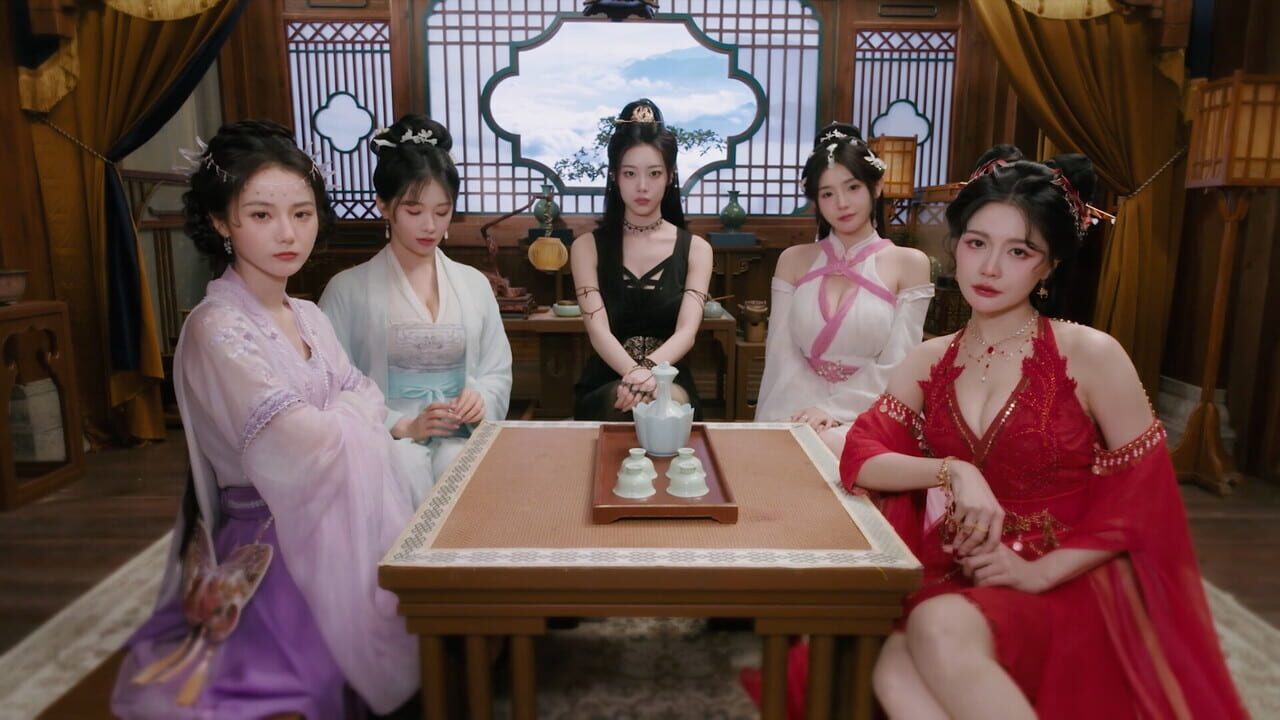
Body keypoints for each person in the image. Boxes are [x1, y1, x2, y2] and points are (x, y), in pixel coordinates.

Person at [840, 157, 1247, 718]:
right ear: (956, 246)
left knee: (932, 626)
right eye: (977, 243)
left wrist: (1036, 573)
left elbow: (1145, 498)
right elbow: (862, 456)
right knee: (892, 668)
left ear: (1049, 265)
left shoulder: (1092, 355)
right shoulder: (929, 359)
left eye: (1019, 251)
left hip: (1068, 574)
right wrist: (954, 471)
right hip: (965, 568)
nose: (990, 267)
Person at [112, 120, 418, 718]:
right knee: (316, 676)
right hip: (270, 538)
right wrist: (346, 413)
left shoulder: (308, 314)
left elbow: (366, 396)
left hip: (340, 516)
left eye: (302, 214)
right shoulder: (216, 328)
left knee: (416, 623)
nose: (287, 233)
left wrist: (342, 413)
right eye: (261, 215)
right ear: (221, 222)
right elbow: (297, 443)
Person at [320, 116, 511, 502]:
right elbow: (331, 387)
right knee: (405, 467)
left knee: (461, 467)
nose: (429, 226)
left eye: (442, 212)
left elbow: (496, 370)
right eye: (413, 210)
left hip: (460, 440)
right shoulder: (347, 290)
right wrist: (402, 424)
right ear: (383, 206)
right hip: (386, 445)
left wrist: (480, 398)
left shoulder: (473, 285)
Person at [754, 122, 932, 455]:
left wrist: (832, 411)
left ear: (876, 186)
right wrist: (800, 415)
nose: (842, 203)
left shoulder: (910, 264)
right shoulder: (792, 260)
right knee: (786, 453)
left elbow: (900, 361)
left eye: (852, 187)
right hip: (795, 405)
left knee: (836, 447)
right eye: (827, 194)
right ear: (816, 200)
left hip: (875, 409)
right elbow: (781, 353)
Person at [570, 98, 713, 420]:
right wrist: (635, 376)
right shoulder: (586, 247)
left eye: (654, 173)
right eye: (630, 173)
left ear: (670, 176)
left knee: (666, 406)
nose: (643, 186)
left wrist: (650, 374)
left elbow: (686, 333)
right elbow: (598, 332)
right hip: (605, 381)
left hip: (671, 379)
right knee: (631, 404)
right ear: (614, 177)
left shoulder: (697, 249)